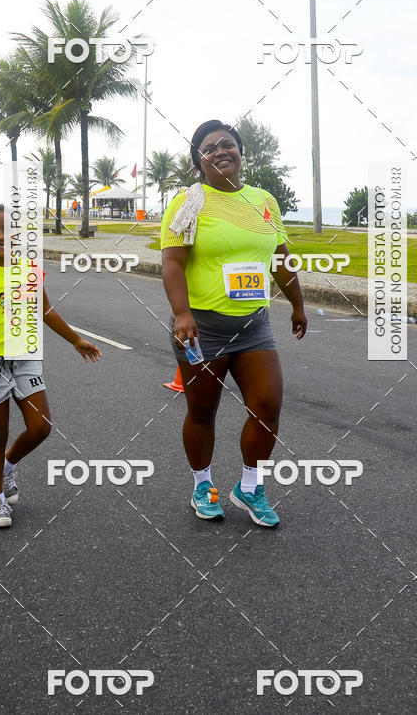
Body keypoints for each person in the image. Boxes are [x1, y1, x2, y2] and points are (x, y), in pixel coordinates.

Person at [160, 120, 307, 528]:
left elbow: (280, 257)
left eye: (228, 144)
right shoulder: (189, 202)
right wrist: (182, 313)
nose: (220, 151)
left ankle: (249, 487)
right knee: (202, 411)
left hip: (254, 324)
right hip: (201, 326)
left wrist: (297, 304)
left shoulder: (263, 200)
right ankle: (203, 486)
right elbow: (172, 262)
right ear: (199, 162)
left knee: (267, 407)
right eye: (209, 148)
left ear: (241, 151)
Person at [0, 203, 101, 529]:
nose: (0, 237)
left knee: (41, 427)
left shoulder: (28, 270)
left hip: (25, 358)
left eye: (6, 230)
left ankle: (8, 466)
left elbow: (46, 310)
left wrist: (75, 340)